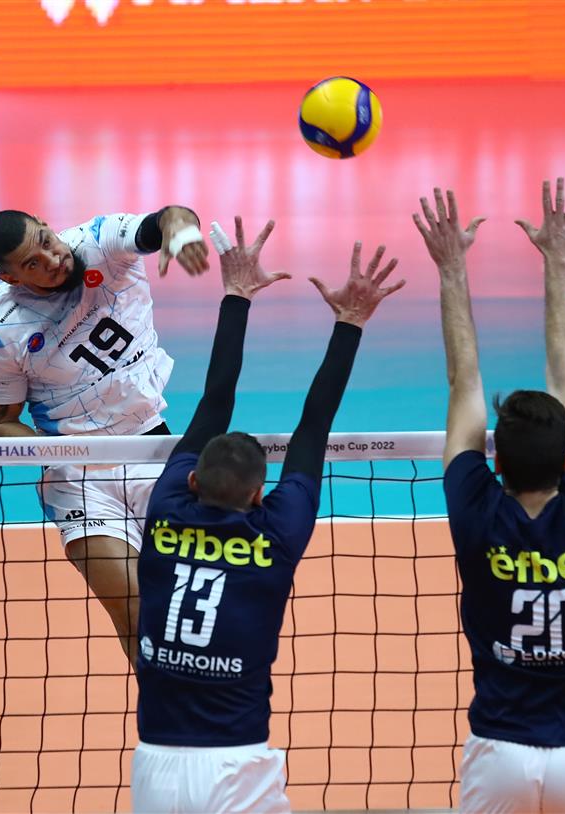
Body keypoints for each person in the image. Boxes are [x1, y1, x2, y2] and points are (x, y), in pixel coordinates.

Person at [131, 216, 403, 813]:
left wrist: (236, 294)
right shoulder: (275, 535)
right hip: (239, 765)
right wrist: (350, 321)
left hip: (154, 765)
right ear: (260, 496)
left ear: (193, 480)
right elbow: (314, 426)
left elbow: (215, 402)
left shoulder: (166, 510)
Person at [413, 180, 565, 813]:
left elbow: (464, 383)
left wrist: (451, 268)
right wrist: (559, 260)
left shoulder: (477, 511)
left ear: (495, 462)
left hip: (499, 751)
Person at [0, 205, 209, 665]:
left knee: (190, 607)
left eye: (45, 242)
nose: (52, 261)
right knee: (137, 614)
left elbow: (169, 217)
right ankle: (163, 711)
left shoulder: (102, 242)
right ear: (9, 277)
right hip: (78, 479)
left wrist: (180, 232)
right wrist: (62, 451)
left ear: (47, 227)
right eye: (32, 264)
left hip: (154, 449)